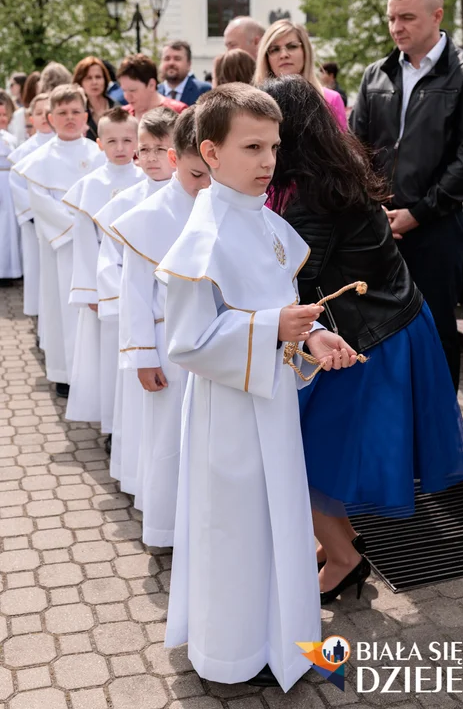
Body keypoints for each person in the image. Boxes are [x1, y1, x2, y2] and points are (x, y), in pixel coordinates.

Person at [156, 84, 357, 691]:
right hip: (230, 415)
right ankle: (231, 652)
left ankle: (279, 637)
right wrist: (274, 328)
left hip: (270, 406)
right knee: (235, 529)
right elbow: (189, 342)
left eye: (273, 146)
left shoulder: (268, 225)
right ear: (211, 153)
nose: (269, 160)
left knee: (279, 521)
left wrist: (313, 337)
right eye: (252, 147)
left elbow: (281, 309)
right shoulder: (203, 236)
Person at [263, 73, 463, 603]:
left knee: (297, 452)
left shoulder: (310, 195)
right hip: (395, 323)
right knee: (325, 449)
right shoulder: (336, 170)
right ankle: (340, 540)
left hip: (369, 339)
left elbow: (295, 285)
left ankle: (344, 558)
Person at [350, 0, 463, 392]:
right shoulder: (376, 74)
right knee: (380, 333)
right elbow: (357, 149)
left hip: (437, 230)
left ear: (437, 15)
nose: (395, 27)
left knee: (437, 333)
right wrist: (376, 210)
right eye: (392, 18)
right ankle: (393, 442)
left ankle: (441, 447)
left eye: (406, 18)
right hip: (379, 229)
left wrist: (418, 213)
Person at [113, 106, 209, 547]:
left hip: (215, 346)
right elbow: (133, 290)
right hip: (167, 348)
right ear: (176, 161)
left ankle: (207, 525)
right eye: (195, 174)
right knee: (169, 438)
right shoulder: (148, 217)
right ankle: (168, 530)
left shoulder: (219, 205)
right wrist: (142, 356)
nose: (204, 184)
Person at [93, 106, 176, 490]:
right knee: (141, 412)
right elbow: (109, 262)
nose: (152, 158)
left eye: (161, 148)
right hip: (144, 321)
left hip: (181, 328)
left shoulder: (196, 194)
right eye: (146, 150)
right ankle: (140, 482)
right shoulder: (125, 203)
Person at [62, 108, 141, 447]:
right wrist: (92, 291)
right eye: (112, 141)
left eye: (127, 140)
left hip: (139, 289)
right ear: (99, 144)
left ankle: (135, 424)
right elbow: (84, 243)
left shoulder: (146, 181)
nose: (120, 147)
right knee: (110, 360)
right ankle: (112, 427)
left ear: (137, 142)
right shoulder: (89, 186)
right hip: (107, 292)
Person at [18, 84, 102, 398]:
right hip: (61, 248)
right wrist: (77, 229)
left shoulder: (98, 154)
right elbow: (41, 204)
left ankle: (93, 372)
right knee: (60, 309)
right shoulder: (39, 159)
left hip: (94, 246)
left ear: (86, 115)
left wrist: (91, 231)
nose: (69, 118)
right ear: (50, 117)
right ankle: (64, 373)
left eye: (75, 112)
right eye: (62, 113)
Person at [254, 19, 348, 131]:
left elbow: (339, 147)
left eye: (292, 46)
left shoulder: (331, 100)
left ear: (305, 51)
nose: (284, 55)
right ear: (266, 58)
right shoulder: (254, 104)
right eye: (275, 49)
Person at [9, 93, 53, 320]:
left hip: (60, 223)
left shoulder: (64, 145)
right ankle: (39, 322)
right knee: (38, 273)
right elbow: (17, 186)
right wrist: (37, 214)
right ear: (31, 119)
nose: (44, 118)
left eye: (47, 112)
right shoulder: (23, 152)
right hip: (35, 223)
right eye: (38, 113)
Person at [117, 54, 187, 120]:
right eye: (124, 90)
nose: (127, 96)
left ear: (151, 85)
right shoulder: (121, 116)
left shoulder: (178, 112)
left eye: (132, 90)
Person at [0, 90, 21, 285]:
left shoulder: (11, 137)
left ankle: (9, 269)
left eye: (5, 115)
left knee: (9, 228)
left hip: (8, 182)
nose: (2, 119)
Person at [72, 57, 117, 141]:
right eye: (89, 78)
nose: (94, 82)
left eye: (98, 77)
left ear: (105, 80)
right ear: (80, 82)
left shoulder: (116, 107)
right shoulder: (76, 112)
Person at [159, 41, 211, 105]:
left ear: (189, 64)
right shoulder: (154, 93)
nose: (171, 63)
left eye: (177, 59)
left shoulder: (204, 91)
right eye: (167, 58)